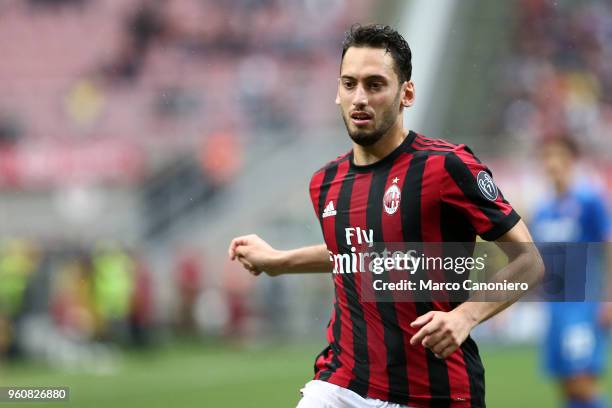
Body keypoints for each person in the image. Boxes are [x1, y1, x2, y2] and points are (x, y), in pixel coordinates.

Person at [228, 24, 544, 408]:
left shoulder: (446, 167)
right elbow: (361, 254)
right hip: (341, 383)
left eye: (375, 85)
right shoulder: (325, 183)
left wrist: (466, 316)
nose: (359, 98)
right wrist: (278, 261)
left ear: (406, 93)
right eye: (349, 84)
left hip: (435, 391)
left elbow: (530, 261)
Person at [531, 136, 612, 408]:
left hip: (583, 306)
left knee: (582, 382)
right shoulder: (543, 210)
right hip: (555, 308)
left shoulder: (589, 200)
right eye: (547, 157)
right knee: (566, 385)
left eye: (558, 156)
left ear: (571, 160)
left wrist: (609, 298)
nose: (552, 163)